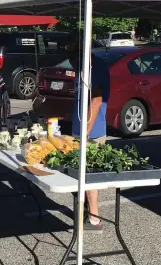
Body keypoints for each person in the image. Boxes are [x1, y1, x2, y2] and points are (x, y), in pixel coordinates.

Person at [67, 30, 110, 232]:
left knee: (90, 175)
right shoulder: (80, 67)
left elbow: (97, 99)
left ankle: (94, 219)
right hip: (78, 130)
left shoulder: (97, 67)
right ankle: (84, 213)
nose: (70, 59)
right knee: (79, 175)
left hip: (92, 132)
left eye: (73, 51)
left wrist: (85, 131)